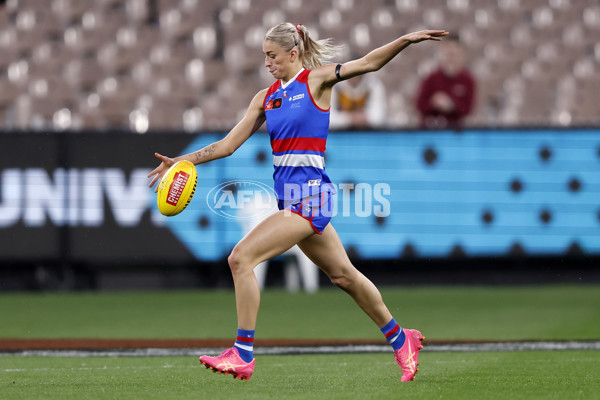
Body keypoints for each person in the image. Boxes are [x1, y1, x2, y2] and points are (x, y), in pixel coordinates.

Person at [148, 23, 448, 382]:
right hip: (292, 202)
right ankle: (403, 338)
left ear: (293, 54)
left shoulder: (317, 81)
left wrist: (405, 40)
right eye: (264, 56)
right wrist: (182, 162)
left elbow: (369, 63)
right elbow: (227, 145)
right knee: (344, 276)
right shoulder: (265, 97)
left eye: (272, 56)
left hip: (311, 199)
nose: (267, 62)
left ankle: (242, 352)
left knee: (240, 258)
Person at [416, 35, 475, 129]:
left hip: (456, 132)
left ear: (461, 54)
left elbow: (468, 109)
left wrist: (452, 105)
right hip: (432, 129)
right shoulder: (431, 77)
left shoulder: (468, 80)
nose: (451, 58)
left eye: (454, 54)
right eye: (448, 53)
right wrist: (434, 103)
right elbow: (420, 105)